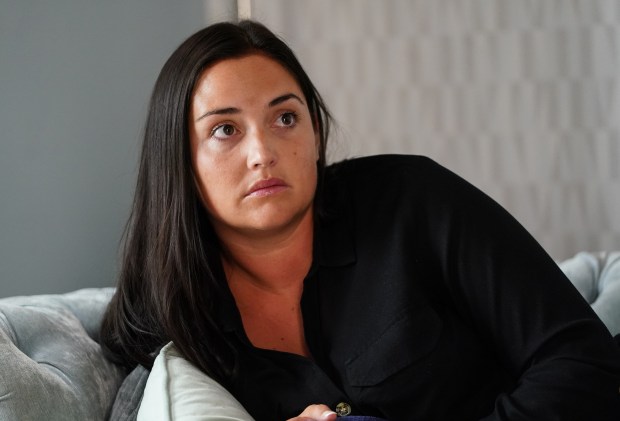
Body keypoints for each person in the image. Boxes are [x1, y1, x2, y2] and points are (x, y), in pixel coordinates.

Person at [100, 20, 620, 420]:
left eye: (285, 118)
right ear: (178, 161)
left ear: (315, 135)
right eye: (225, 130)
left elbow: (583, 360)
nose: (263, 152)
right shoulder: (168, 312)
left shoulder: (414, 200)